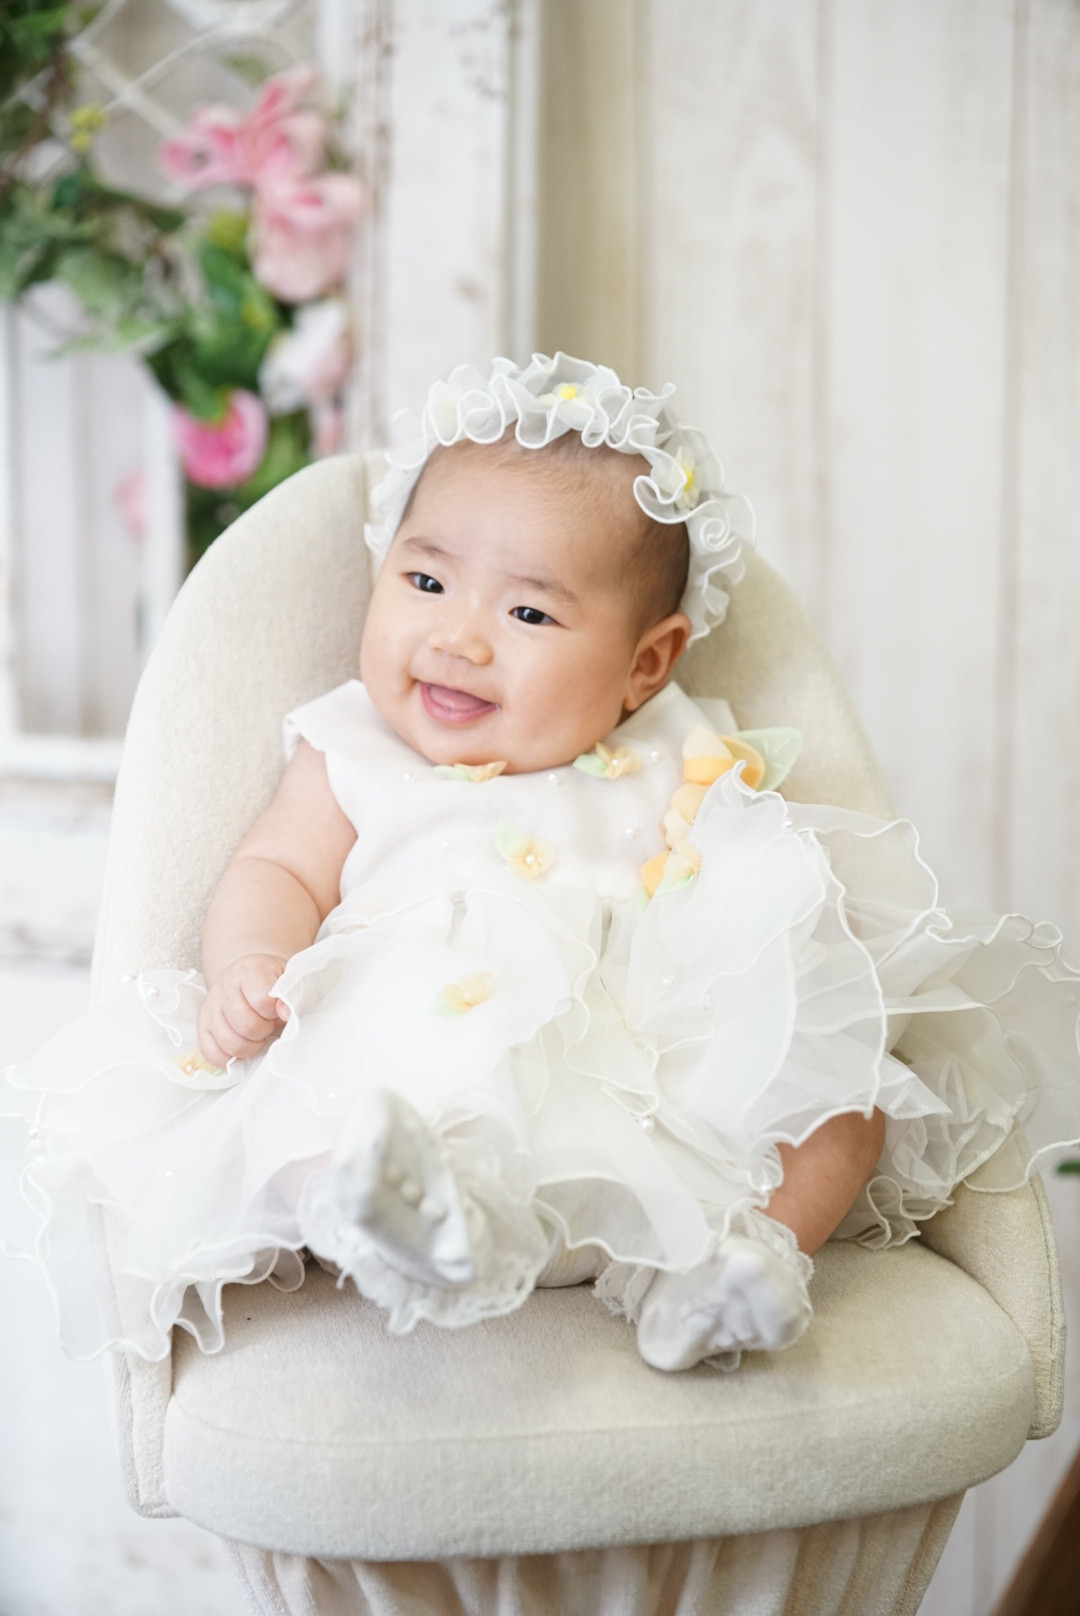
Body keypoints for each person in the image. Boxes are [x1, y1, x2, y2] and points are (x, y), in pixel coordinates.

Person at [3, 353, 1079, 1374]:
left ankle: (731, 1268)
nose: (459, 638)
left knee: (848, 1102)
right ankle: (422, 1230)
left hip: (652, 1086)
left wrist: (771, 966)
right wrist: (251, 963)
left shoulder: (676, 749)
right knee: (307, 1113)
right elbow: (277, 867)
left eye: (526, 611)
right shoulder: (355, 748)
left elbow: (759, 905)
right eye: (426, 580)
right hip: (429, 1056)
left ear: (644, 665)